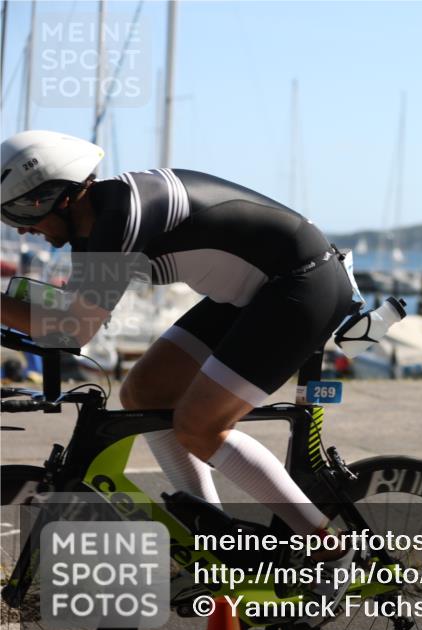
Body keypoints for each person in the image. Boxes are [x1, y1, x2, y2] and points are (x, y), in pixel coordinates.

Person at [1, 131, 358, 597]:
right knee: (143, 394)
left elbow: (75, 329)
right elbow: (70, 314)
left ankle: (330, 550)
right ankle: (214, 546)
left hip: (301, 285)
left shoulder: (120, 218)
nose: (22, 230)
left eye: (23, 213)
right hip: (252, 293)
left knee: (199, 425)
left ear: (60, 195)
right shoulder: (97, 225)